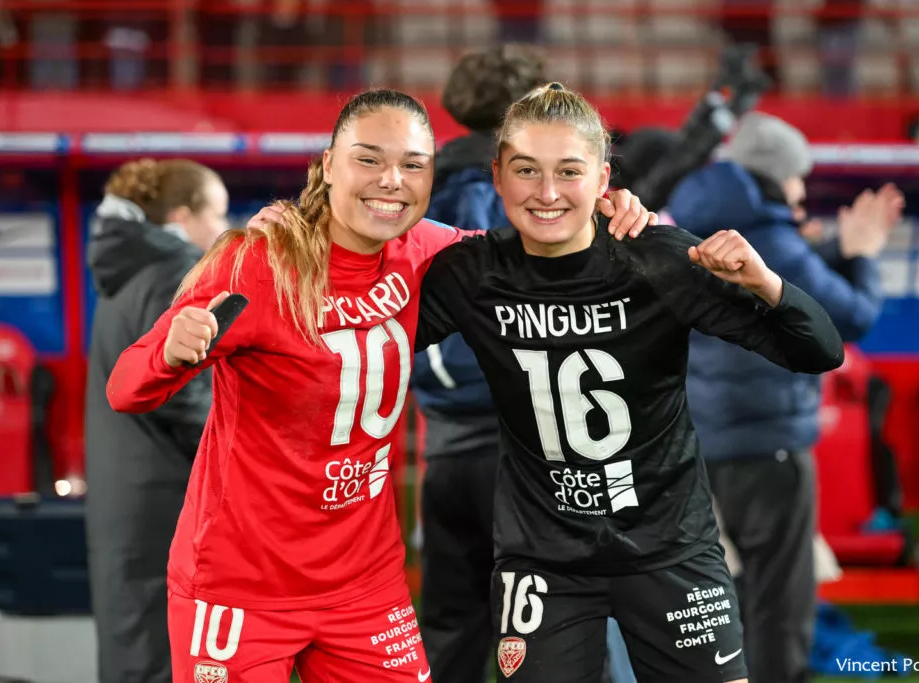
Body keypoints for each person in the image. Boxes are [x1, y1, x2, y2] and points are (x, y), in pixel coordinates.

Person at [106, 88, 653, 683]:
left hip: (366, 586)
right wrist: (169, 351)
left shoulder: (427, 251)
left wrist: (606, 209)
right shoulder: (256, 263)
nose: (391, 180)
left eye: (413, 164)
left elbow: (536, 246)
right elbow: (126, 389)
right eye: (368, 159)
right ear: (328, 165)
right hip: (241, 586)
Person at [412, 82, 845, 683]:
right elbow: (365, 340)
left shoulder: (656, 258)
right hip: (542, 563)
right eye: (526, 170)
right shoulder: (473, 272)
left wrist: (765, 282)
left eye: (569, 171)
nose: (547, 192)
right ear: (497, 177)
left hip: (672, 553)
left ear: (603, 178)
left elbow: (819, 350)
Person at [666, 112, 903, 683]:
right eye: (798, 177)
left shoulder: (701, 222)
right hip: (768, 442)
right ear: (775, 176)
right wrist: (863, 252)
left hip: (706, 442)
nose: (802, 191)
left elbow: (789, 286)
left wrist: (833, 251)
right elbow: (849, 316)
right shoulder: (769, 238)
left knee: (730, 596)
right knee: (781, 599)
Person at [413, 43, 550, 683]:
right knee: (551, 633)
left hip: (440, 446)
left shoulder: (411, 190)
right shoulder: (529, 195)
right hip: (521, 452)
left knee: (451, 628)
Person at [84, 158, 229, 683]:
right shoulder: (176, 270)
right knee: (168, 651)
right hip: (169, 496)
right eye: (217, 214)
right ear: (182, 217)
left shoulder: (127, 270)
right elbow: (183, 395)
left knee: (132, 644)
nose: (224, 229)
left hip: (125, 495)